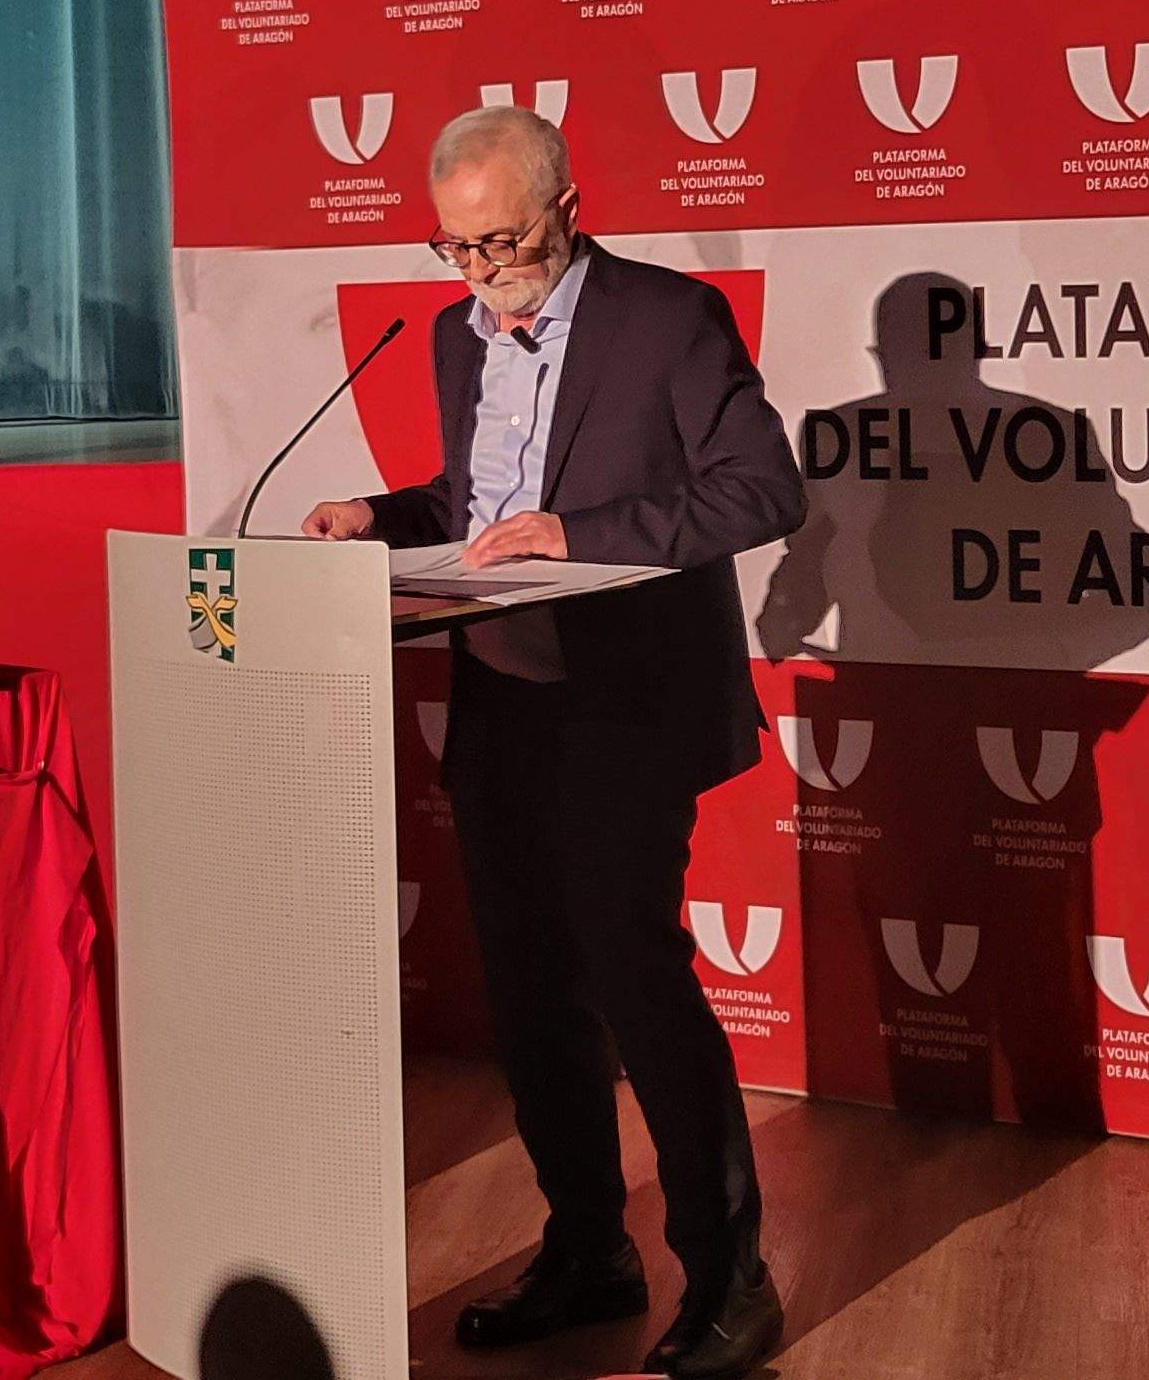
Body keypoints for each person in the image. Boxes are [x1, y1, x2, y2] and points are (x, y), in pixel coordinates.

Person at [302, 105, 803, 1379]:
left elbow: (760, 487)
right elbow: (475, 504)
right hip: (500, 703)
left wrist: (578, 534)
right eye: (454, 246)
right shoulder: (452, 337)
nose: (481, 270)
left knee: (636, 981)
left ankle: (731, 1279)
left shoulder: (666, 319)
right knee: (528, 997)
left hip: (624, 707)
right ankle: (587, 1250)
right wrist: (377, 513)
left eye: (503, 241)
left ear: (569, 209)